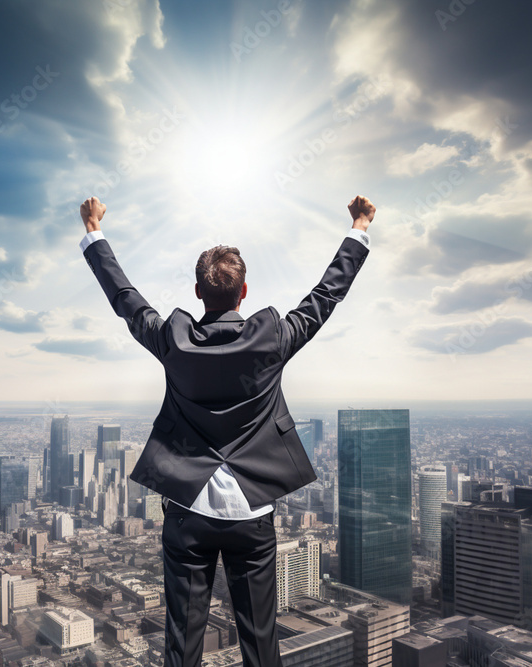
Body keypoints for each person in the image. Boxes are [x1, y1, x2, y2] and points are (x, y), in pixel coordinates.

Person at [77, 194, 375, 667]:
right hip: (251, 511)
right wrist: (358, 226)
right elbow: (325, 296)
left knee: (183, 642)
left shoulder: (173, 341)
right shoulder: (271, 338)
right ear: (244, 292)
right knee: (261, 640)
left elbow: (125, 299)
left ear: (198, 292)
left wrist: (95, 230)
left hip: (186, 510)